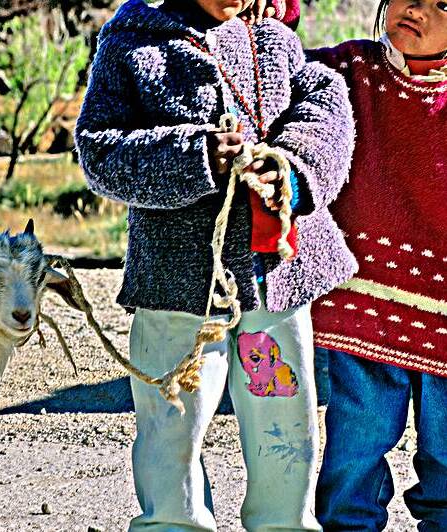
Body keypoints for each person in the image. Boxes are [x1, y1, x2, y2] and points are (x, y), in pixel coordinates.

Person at [74, 0, 356, 530]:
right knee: (173, 420)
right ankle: (173, 523)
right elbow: (100, 150)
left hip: (273, 277)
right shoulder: (131, 46)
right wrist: (196, 155)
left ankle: (283, 523)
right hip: (177, 287)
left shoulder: (274, 42)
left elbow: (324, 113)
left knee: (284, 418)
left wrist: (289, 172)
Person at [307, 1, 447, 529]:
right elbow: (270, 67)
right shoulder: (346, 74)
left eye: (444, 4)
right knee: (357, 441)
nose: (417, 11)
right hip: (366, 301)